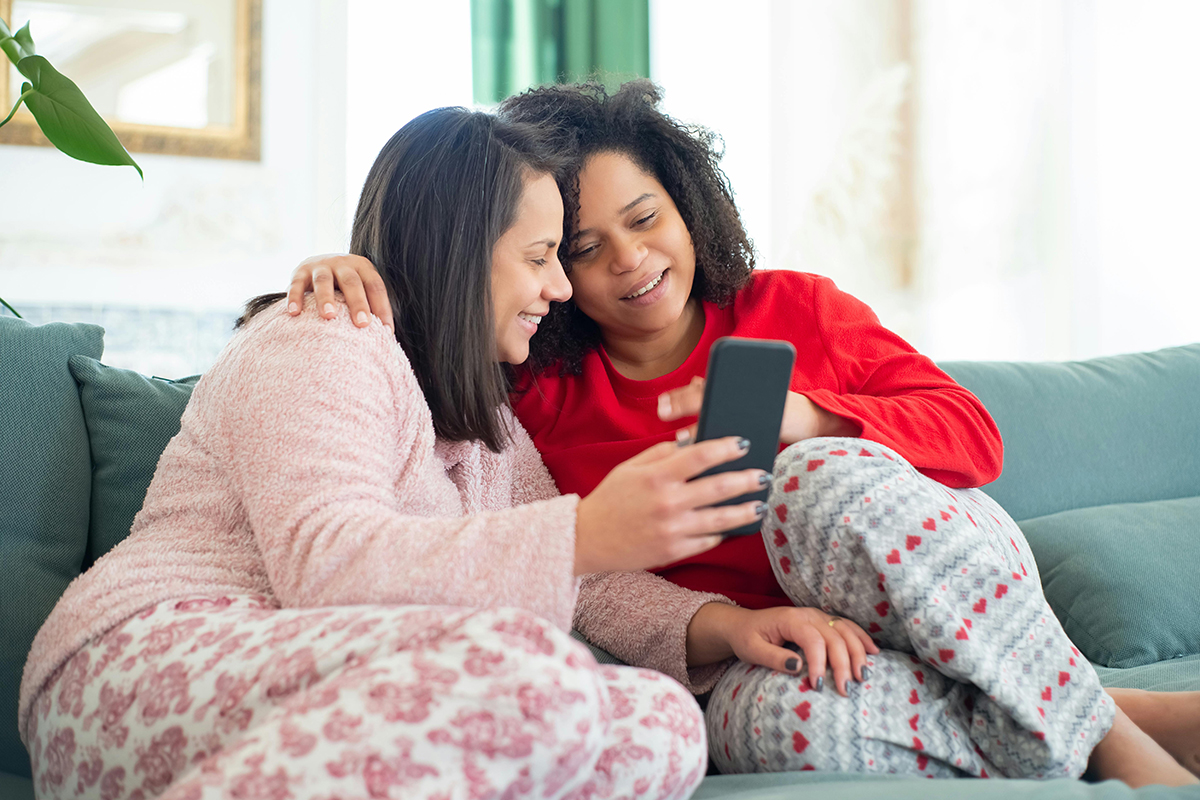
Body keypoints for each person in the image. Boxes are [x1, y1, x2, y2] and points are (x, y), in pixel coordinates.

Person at [287, 82, 1199, 786]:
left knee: (812, 481)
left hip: (937, 570)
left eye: (644, 221)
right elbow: (438, 300)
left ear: (686, 204)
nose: (630, 262)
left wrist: (816, 419)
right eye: (580, 249)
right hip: (788, 647)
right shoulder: (533, 391)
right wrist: (353, 266)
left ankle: (1119, 745)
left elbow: (972, 437)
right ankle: (1101, 714)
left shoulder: (793, 308)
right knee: (760, 724)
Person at [17, 107, 782, 800]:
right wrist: (584, 531)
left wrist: (727, 625)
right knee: (529, 671)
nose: (558, 286)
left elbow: (588, 588)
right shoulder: (321, 339)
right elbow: (323, 561)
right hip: (143, 666)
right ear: (462, 249)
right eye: (541, 254)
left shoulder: (488, 423)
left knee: (658, 722)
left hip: (320, 689)